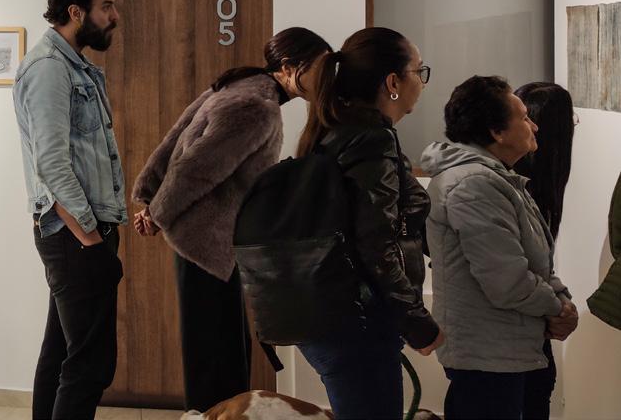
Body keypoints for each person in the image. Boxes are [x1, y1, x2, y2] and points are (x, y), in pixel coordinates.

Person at [132, 27, 331, 413]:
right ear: (289, 67)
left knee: (216, 348)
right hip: (207, 244)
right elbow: (195, 168)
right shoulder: (256, 106)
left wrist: (151, 198)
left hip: (207, 242)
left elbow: (176, 138)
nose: (325, 79)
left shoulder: (239, 86)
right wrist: (156, 212)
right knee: (216, 356)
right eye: (319, 68)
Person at [289, 27, 443, 420]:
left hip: (331, 316)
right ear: (393, 82)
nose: (422, 82)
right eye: (419, 71)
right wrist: (416, 321)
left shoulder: (335, 130)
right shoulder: (371, 140)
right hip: (357, 323)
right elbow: (375, 243)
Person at [422, 76, 577, 420]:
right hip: (488, 356)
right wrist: (558, 309)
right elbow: (507, 281)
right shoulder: (474, 184)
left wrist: (562, 300)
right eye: (524, 118)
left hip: (507, 348)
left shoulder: (500, 179)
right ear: (497, 132)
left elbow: (536, 261)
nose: (534, 126)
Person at [13, 0, 127, 420]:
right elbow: (52, 166)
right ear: (76, 12)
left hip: (77, 233)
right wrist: (92, 241)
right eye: (106, 6)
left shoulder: (72, 65)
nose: (114, 16)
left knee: (62, 353)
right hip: (75, 235)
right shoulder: (48, 69)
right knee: (90, 365)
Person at [513, 82, 576, 420]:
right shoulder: (514, 190)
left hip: (525, 330)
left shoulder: (528, 187)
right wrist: (560, 308)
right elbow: (512, 274)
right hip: (510, 337)